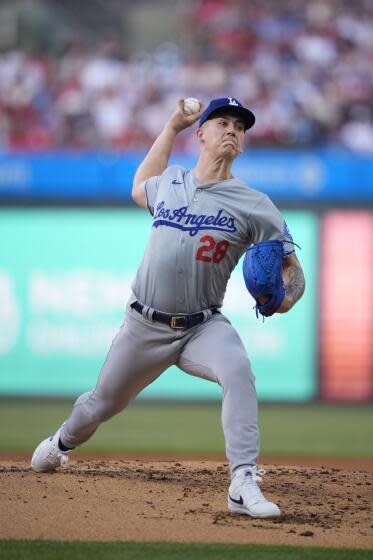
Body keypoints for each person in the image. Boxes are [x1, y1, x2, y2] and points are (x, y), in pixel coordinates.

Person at [31, 97, 305, 518]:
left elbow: (293, 271)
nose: (232, 129)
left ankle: (243, 480)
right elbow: (139, 185)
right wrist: (171, 126)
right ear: (201, 134)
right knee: (100, 404)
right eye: (223, 122)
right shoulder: (171, 181)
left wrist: (285, 298)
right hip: (145, 324)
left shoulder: (256, 204)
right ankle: (63, 441)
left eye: (240, 126)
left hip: (202, 326)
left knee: (237, 370)